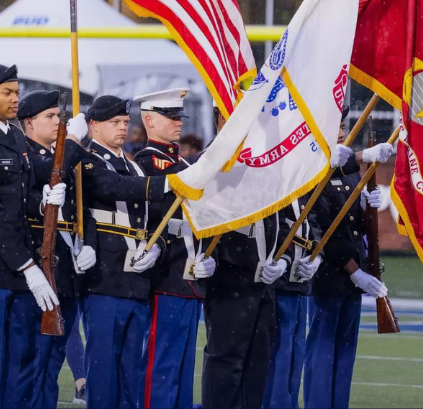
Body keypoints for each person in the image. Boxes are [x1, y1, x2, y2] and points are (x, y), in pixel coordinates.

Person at [0, 64, 82, 408]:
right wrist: (28, 266)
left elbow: (31, 184)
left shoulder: (12, 138)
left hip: (15, 270)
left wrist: (42, 203)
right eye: (7, 93)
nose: (15, 99)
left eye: (17, 92)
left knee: (21, 361)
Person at [78, 95, 170, 409]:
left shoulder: (132, 164)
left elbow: (156, 217)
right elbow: (112, 188)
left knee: (133, 372)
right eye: (114, 123)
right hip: (105, 276)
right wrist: (171, 184)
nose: (122, 128)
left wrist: (156, 247)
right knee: (103, 372)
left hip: (137, 280)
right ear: (93, 125)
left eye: (124, 122)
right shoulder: (87, 159)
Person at [201, 106, 292, 409]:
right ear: (220, 121)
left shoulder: (265, 164)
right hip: (230, 277)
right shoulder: (214, 160)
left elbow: (284, 222)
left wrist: (284, 260)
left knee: (258, 364)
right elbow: (203, 219)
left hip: (264, 280)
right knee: (226, 362)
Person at [302, 110, 392, 409]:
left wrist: (368, 207)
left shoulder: (351, 170)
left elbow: (355, 225)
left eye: (342, 125)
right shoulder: (316, 168)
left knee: (344, 352)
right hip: (329, 273)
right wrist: (354, 272)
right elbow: (326, 228)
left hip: (355, 271)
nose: (341, 132)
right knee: (322, 350)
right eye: (334, 126)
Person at [133, 88, 215, 409]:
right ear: (150, 120)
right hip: (166, 273)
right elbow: (155, 216)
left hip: (189, 272)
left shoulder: (179, 161)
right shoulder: (148, 161)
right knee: (162, 366)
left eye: (179, 116)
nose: (178, 123)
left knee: (182, 368)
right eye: (170, 117)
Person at [18, 90, 98, 409]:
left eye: (59, 116)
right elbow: (48, 171)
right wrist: (74, 143)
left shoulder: (64, 156)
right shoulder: (23, 155)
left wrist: (88, 244)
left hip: (67, 268)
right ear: (29, 123)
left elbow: (84, 208)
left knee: (51, 364)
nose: (57, 122)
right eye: (50, 117)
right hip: (37, 267)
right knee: (32, 363)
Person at [261, 198, 322, 409]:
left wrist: (317, 255)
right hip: (277, 279)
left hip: (299, 277)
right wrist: (284, 260)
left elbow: (311, 223)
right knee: (278, 355)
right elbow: (275, 225)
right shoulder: (279, 181)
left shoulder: (302, 185)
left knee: (295, 356)